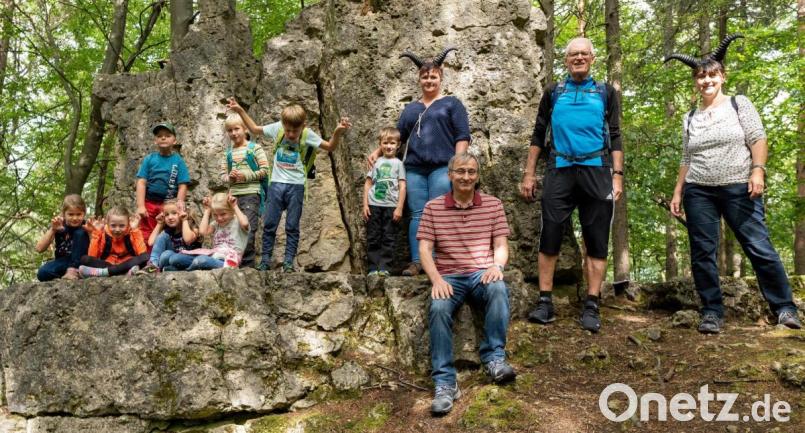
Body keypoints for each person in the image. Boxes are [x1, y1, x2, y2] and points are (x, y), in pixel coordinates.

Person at [665, 34, 801, 333]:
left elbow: (758, 138)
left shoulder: (739, 104)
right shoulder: (690, 117)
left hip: (739, 186)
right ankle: (712, 312)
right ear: (695, 82)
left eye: (711, 75)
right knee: (703, 252)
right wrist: (678, 191)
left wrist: (758, 171)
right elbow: (686, 157)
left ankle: (785, 308)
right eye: (700, 76)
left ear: (722, 77)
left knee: (758, 246)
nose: (706, 80)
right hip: (698, 190)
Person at [520, 37, 624, 333]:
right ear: (566, 60)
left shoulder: (605, 92)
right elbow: (539, 132)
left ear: (592, 58)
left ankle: (592, 304)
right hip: (560, 169)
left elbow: (615, 134)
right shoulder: (554, 91)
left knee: (597, 239)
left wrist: (617, 175)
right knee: (550, 233)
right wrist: (529, 173)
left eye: (583, 54)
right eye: (573, 54)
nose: (578, 58)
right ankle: (545, 301)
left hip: (597, 170)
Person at [419, 153, 515, 416]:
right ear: (450, 175)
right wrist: (436, 279)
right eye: (460, 171)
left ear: (478, 175)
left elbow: (501, 245)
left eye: (471, 172)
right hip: (449, 277)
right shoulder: (433, 207)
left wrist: (497, 266)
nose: (466, 177)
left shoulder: (493, 205)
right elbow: (425, 249)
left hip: (481, 273)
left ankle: (495, 360)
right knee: (438, 307)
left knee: (498, 288)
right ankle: (445, 384)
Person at [368, 47, 470, 277]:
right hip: (414, 169)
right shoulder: (411, 109)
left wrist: (457, 166)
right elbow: (398, 137)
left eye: (433, 76)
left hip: (442, 167)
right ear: (419, 79)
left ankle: (441, 262)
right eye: (425, 77)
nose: (429, 80)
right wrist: (377, 152)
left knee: (440, 213)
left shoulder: (452, 104)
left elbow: (462, 136)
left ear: (440, 78)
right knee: (417, 214)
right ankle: (418, 262)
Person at [226, 98, 351, 272]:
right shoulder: (278, 128)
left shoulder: (307, 134)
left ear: (303, 126)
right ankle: (265, 260)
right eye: (288, 130)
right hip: (276, 184)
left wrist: (337, 132)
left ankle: (288, 262)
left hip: (296, 186)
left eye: (295, 131)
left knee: (292, 226)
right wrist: (240, 110)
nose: (291, 134)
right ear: (283, 124)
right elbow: (254, 129)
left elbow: (330, 146)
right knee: (269, 224)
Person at [220, 114, 269, 267]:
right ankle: (233, 263)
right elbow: (222, 175)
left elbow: (265, 170)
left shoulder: (254, 149)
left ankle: (247, 267)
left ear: (245, 129)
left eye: (237, 129)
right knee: (233, 231)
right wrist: (230, 177)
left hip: (251, 194)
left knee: (248, 229)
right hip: (233, 197)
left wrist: (246, 176)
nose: (233, 133)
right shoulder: (228, 153)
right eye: (230, 130)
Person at [135, 122, 191, 247]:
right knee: (146, 231)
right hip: (149, 203)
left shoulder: (178, 161)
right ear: (155, 140)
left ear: (174, 140)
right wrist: (140, 206)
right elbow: (141, 182)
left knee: (167, 231)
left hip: (168, 204)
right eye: (159, 136)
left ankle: (165, 254)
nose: (163, 138)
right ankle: (147, 256)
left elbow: (182, 185)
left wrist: (179, 204)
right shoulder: (149, 159)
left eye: (167, 135)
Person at [363, 127, 407, 276]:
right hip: (374, 205)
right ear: (380, 144)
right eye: (385, 143)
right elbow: (368, 184)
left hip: (391, 206)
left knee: (389, 237)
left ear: (398, 145)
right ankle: (372, 268)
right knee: (373, 236)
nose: (389, 146)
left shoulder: (399, 164)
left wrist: (399, 207)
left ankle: (384, 267)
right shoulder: (376, 162)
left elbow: (402, 186)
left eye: (392, 143)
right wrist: (365, 205)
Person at [184, 192, 250, 271]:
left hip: (228, 261)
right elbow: (202, 231)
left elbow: (245, 223)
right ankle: (189, 267)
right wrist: (207, 210)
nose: (219, 218)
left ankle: (188, 270)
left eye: (223, 214)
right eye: (215, 215)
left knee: (201, 260)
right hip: (213, 256)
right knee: (177, 258)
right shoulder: (216, 224)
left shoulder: (238, 221)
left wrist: (235, 206)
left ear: (232, 210)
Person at [79, 206, 149, 277]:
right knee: (85, 259)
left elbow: (142, 253)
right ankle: (123, 272)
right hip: (108, 264)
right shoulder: (104, 235)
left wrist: (135, 230)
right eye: (113, 226)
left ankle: (105, 272)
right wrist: (96, 234)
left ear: (128, 224)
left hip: (128, 262)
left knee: (146, 256)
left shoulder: (132, 233)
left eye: (122, 226)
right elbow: (92, 256)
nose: (117, 229)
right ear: (107, 224)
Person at [35, 194, 90, 281]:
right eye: (70, 214)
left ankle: (74, 271)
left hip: (82, 261)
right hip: (63, 261)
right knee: (42, 272)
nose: (75, 218)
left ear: (84, 213)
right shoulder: (59, 225)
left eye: (79, 214)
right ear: (64, 214)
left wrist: (91, 232)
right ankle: (66, 276)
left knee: (80, 233)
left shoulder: (87, 226)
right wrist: (53, 229)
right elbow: (39, 248)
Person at [140, 199, 201, 272]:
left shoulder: (193, 229)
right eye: (166, 215)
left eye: (174, 213)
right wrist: (159, 223)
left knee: (175, 259)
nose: (170, 217)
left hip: (187, 259)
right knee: (165, 254)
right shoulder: (168, 232)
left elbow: (188, 240)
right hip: (172, 259)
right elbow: (151, 242)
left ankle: (169, 269)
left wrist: (184, 220)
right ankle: (153, 265)